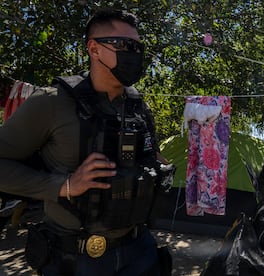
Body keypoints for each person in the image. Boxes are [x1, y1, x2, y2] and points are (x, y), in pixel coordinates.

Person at [0, 9, 167, 275]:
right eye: (124, 45)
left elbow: (149, 155)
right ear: (94, 49)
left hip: (139, 251)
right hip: (76, 258)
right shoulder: (52, 102)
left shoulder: (139, 107)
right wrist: (63, 185)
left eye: (138, 47)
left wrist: (155, 166)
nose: (134, 54)